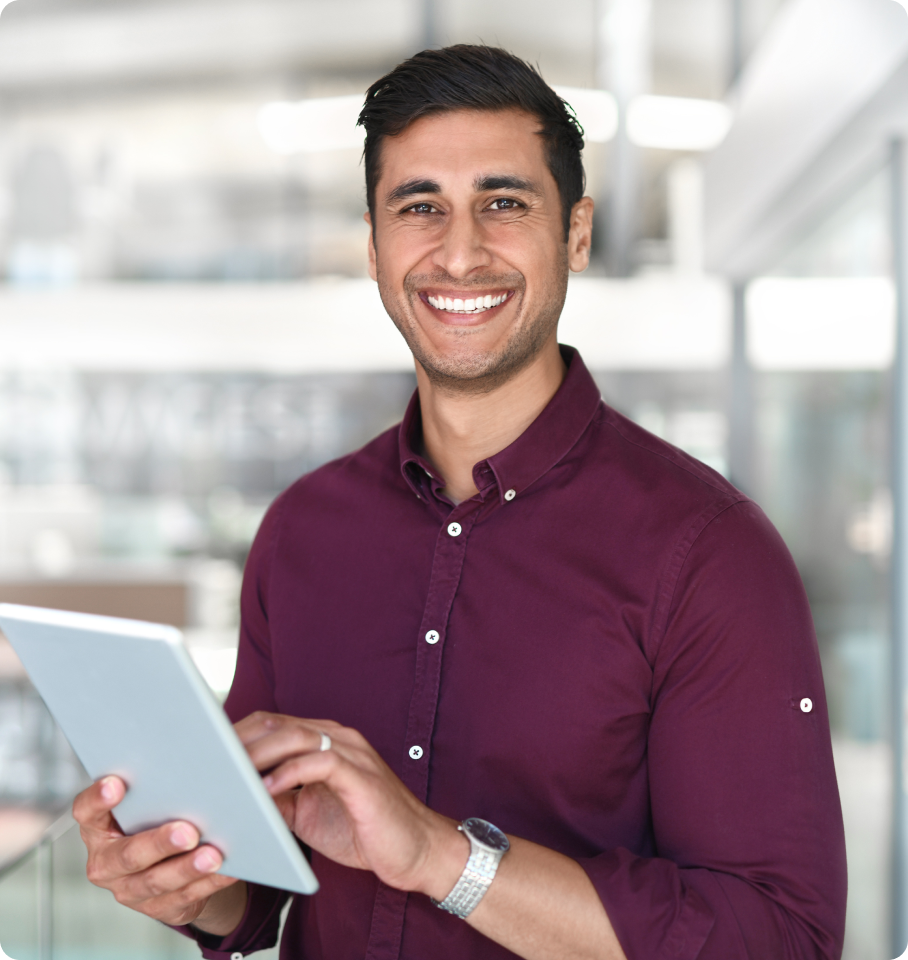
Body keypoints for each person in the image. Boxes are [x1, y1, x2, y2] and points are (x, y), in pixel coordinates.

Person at [72, 45, 846, 960]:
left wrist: (442, 856)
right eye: (420, 206)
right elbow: (258, 892)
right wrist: (181, 879)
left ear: (577, 233)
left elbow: (780, 938)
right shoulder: (303, 533)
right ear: (374, 244)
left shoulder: (710, 553)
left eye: (504, 203)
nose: (460, 250)